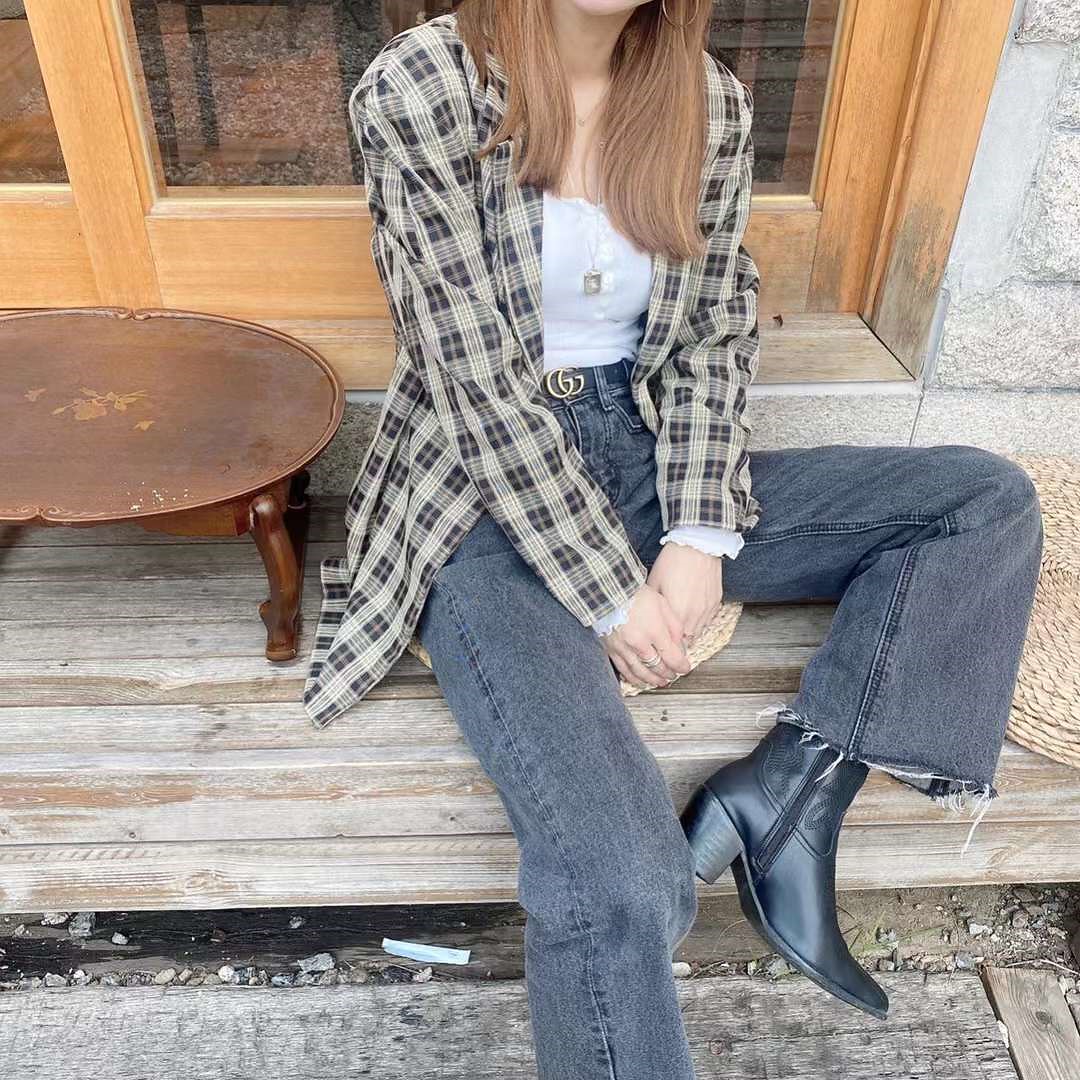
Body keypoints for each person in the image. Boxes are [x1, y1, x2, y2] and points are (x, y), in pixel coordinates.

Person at [303, 1, 1044, 1075]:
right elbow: (474, 382)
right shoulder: (422, 85)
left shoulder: (707, 100)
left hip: (644, 453)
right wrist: (614, 594)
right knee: (620, 881)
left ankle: (792, 790)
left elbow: (710, 335)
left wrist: (698, 533)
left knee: (981, 501)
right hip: (480, 498)